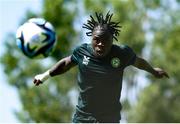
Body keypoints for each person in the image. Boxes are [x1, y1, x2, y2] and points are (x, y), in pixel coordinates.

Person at [33, 11, 169, 123]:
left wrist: (153, 71)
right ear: (91, 38)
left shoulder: (122, 54)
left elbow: (139, 63)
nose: (100, 44)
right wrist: (43, 76)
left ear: (112, 40)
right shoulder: (82, 52)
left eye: (105, 40)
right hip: (82, 118)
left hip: (109, 119)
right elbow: (65, 64)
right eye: (96, 40)